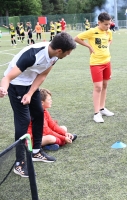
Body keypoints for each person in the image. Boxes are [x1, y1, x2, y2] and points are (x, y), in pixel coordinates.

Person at [0, 32, 76, 178]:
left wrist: (29, 94)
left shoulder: (54, 56)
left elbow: (42, 75)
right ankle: (19, 163)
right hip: (15, 84)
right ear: (60, 50)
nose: (68, 55)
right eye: (67, 53)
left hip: (30, 84)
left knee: (39, 114)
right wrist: (3, 88)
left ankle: (36, 151)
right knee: (23, 120)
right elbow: (7, 77)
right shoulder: (33, 55)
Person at [74, 12, 115, 123]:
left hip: (107, 62)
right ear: (99, 22)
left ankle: (102, 108)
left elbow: (110, 39)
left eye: (109, 24)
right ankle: (96, 113)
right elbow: (77, 38)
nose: (107, 27)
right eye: (105, 24)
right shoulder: (92, 31)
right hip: (96, 63)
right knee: (98, 87)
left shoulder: (109, 32)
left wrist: (107, 46)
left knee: (105, 85)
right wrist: (89, 46)